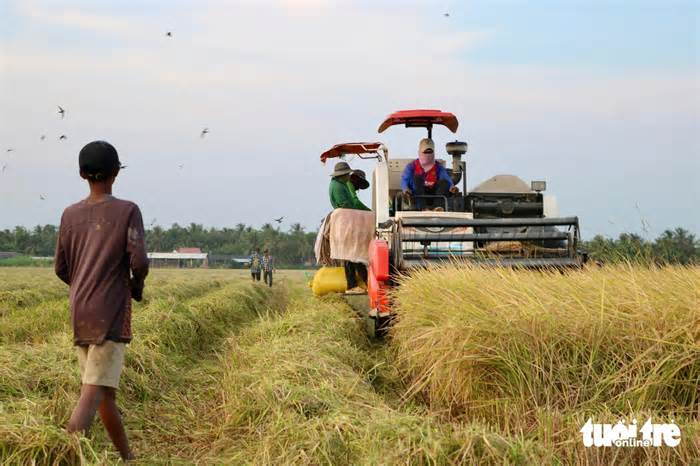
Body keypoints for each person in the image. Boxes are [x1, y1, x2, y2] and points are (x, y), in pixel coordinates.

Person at [54, 140, 148, 461]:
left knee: (103, 391)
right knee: (92, 391)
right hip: (109, 313)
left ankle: (127, 457)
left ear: (82, 174)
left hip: (80, 312)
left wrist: (83, 285)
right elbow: (139, 261)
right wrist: (136, 286)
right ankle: (62, 453)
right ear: (115, 173)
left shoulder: (69, 215)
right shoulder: (127, 211)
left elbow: (61, 268)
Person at [328, 161, 368, 294]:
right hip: (346, 222)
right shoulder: (338, 186)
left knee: (353, 254)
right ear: (342, 175)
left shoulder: (340, 184)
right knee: (352, 255)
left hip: (347, 222)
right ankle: (352, 286)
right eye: (347, 174)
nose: (348, 177)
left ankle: (363, 283)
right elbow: (346, 205)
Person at [401, 138, 459, 210]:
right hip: (416, 196)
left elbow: (446, 178)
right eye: (425, 152)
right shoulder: (411, 166)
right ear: (419, 152)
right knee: (417, 178)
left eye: (430, 152)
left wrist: (451, 187)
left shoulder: (438, 167)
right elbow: (404, 180)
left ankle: (438, 207)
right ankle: (422, 208)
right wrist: (405, 189)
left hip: (433, 194)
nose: (427, 155)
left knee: (444, 182)